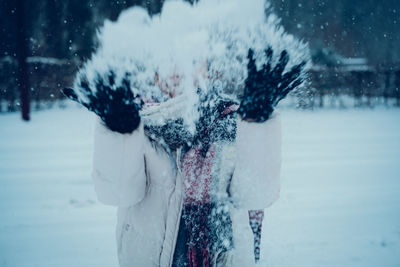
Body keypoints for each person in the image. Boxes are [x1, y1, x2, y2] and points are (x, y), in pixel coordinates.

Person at [62, 1, 309, 266]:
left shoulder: (232, 121)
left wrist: (256, 120)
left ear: (205, 66)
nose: (178, 70)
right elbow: (118, 193)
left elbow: (256, 194)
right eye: (168, 59)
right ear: (154, 71)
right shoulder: (136, 123)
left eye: (190, 59)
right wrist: (120, 130)